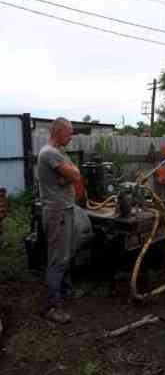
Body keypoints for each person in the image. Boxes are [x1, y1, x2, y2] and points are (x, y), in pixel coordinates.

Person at [38, 117, 81, 324]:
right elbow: (73, 174)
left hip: (65, 209)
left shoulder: (60, 153)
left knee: (66, 253)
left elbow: (75, 174)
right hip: (57, 212)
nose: (71, 136)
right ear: (58, 131)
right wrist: (69, 176)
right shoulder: (50, 153)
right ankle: (51, 306)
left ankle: (65, 292)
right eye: (69, 132)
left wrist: (69, 176)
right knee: (58, 258)